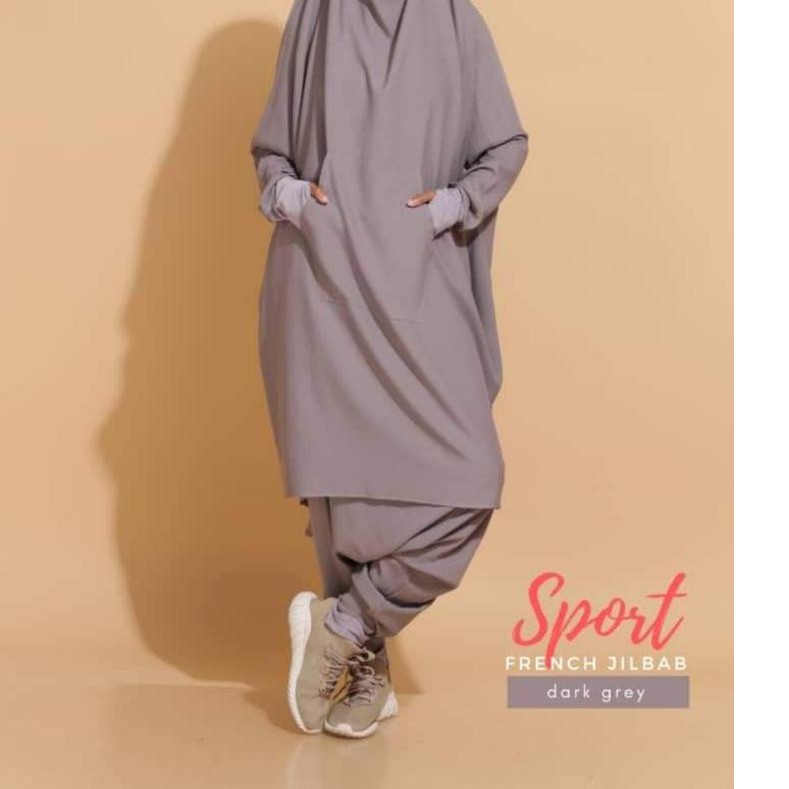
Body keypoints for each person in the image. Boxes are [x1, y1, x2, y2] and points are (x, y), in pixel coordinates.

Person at [250, 0, 528, 739]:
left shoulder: (454, 19)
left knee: (469, 477)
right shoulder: (316, 15)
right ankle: (362, 667)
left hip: (417, 279)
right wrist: (288, 196)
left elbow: (504, 143)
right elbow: (272, 149)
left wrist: (450, 206)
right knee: (344, 487)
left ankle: (346, 624)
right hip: (323, 279)